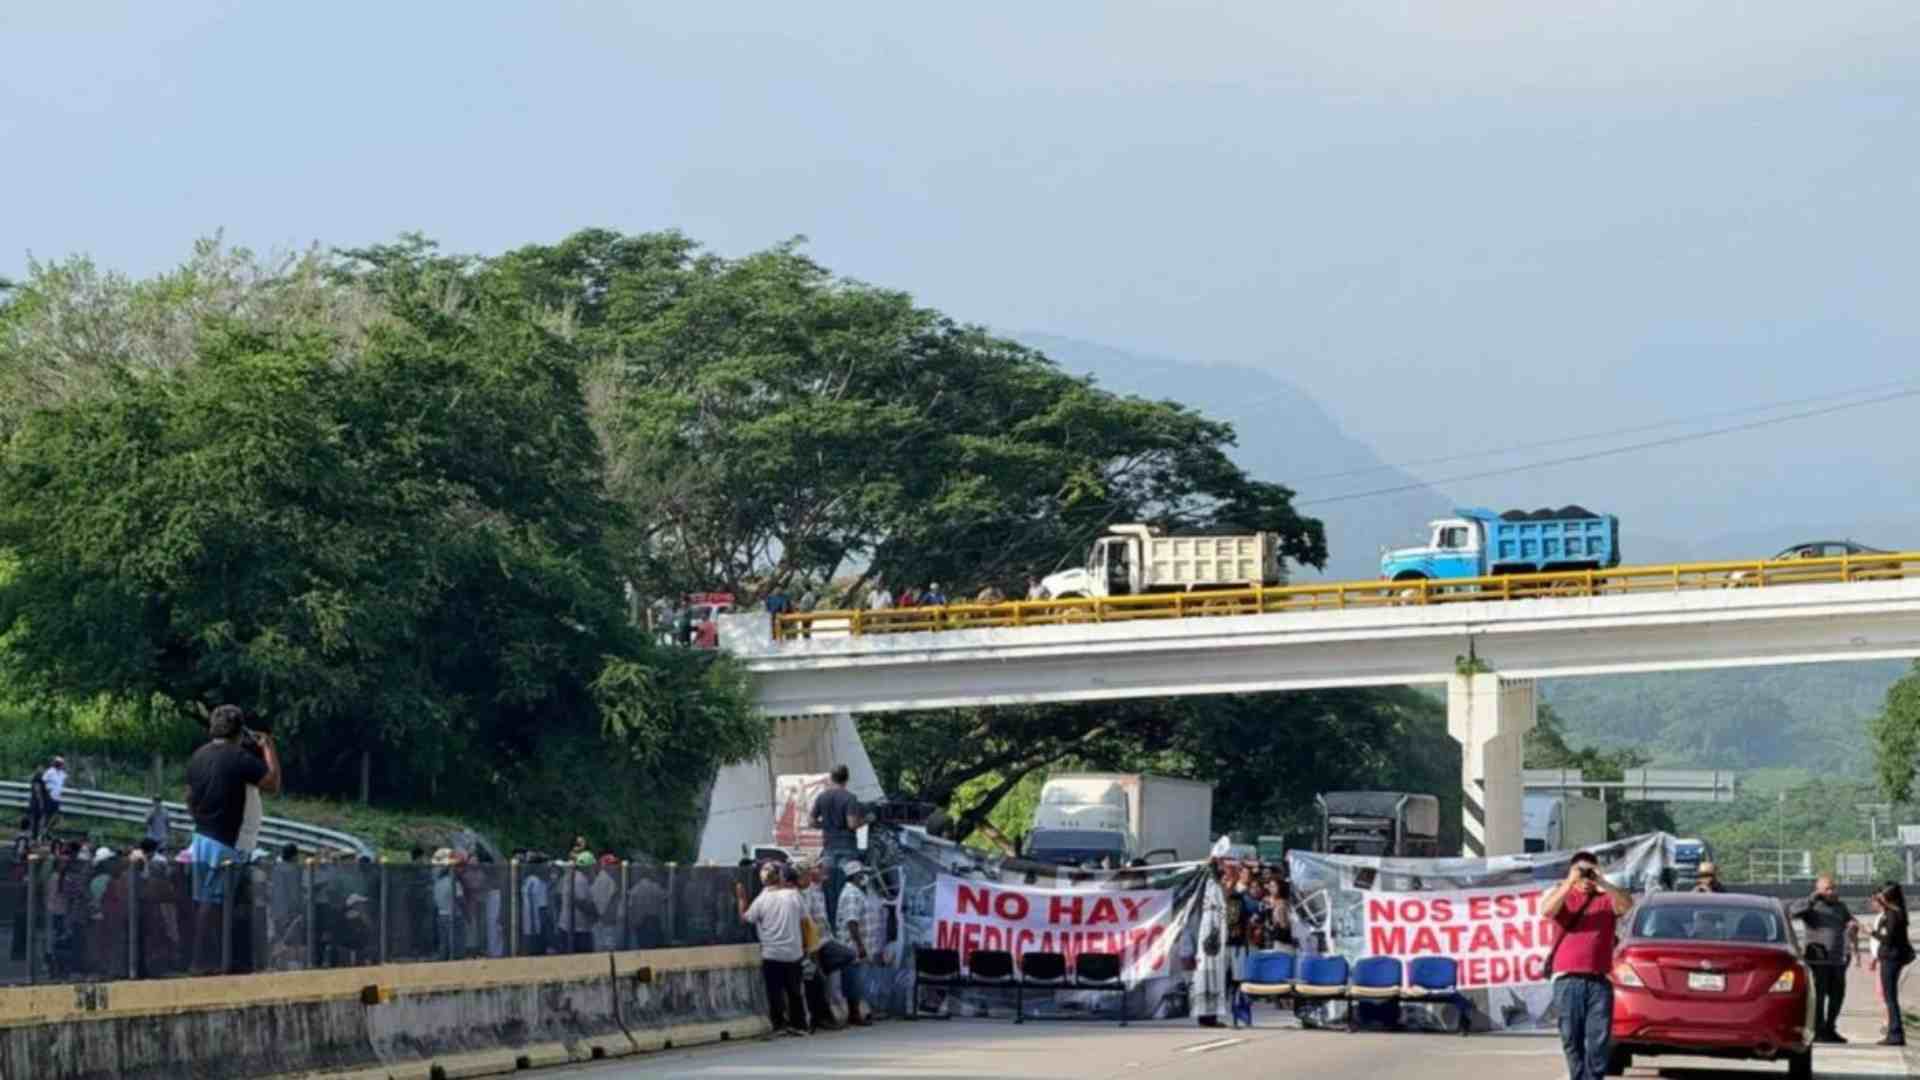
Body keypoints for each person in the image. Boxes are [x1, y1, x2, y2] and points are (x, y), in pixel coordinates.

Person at [185, 705, 280, 974]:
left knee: (204, 901)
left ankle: (210, 960)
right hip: (229, 840)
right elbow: (272, 783)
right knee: (214, 905)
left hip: (201, 836)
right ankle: (204, 962)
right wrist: (268, 748)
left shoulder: (198, 756)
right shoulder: (238, 757)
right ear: (239, 730)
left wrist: (203, 818)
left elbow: (189, 797)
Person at [1541, 851, 1635, 1080]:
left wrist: (1602, 881)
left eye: (1589, 873)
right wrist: (1569, 881)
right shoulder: (1564, 896)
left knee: (1598, 1040)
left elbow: (1627, 905)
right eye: (1581, 873)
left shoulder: (1605, 900)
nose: (1586, 879)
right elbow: (1546, 910)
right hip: (1568, 981)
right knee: (1571, 1037)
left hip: (1598, 982)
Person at [736, 863, 808, 1037]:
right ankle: (799, 1025)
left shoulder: (761, 900)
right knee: (794, 991)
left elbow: (745, 919)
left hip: (772, 954)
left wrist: (741, 899)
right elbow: (804, 922)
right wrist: (805, 946)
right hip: (793, 953)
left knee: (774, 992)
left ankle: (779, 1025)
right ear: (780, 877)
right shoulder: (794, 895)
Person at [1790, 875, 1858, 1043]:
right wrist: (1811, 900)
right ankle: (1818, 1029)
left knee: (1837, 995)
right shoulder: (1812, 906)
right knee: (1819, 996)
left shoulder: (1840, 907)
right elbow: (1793, 912)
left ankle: (1830, 1028)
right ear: (1818, 890)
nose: (1832, 891)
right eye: (1827, 888)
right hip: (1818, 960)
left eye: (1833, 888)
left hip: (1838, 959)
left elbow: (1851, 921)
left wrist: (1852, 925)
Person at [810, 765, 865, 932]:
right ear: (846, 779)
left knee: (829, 891)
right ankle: (847, 930)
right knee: (847, 890)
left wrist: (825, 825)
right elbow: (852, 824)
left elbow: (811, 822)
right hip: (847, 848)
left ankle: (832, 929)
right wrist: (866, 820)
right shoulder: (850, 798)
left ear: (831, 778)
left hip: (828, 849)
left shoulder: (822, 797)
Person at [835, 861, 877, 1026]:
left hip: (858, 945)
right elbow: (852, 922)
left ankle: (857, 1012)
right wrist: (860, 946)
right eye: (861, 874)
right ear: (855, 875)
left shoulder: (856, 892)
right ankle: (854, 1014)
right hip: (853, 946)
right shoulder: (852, 894)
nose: (864, 877)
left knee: (856, 980)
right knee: (853, 980)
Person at [1871, 882, 1911, 1046]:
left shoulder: (1894, 914)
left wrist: (1871, 932)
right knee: (1889, 996)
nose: (1879, 897)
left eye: (1882, 894)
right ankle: (1894, 1032)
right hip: (1891, 957)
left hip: (1891, 958)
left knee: (1890, 997)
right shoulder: (1895, 912)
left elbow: (1888, 939)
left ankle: (1895, 1034)